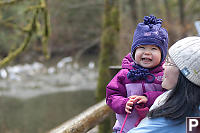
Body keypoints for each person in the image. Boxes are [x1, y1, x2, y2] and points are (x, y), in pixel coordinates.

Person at [106, 15, 168, 133]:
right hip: (126, 128)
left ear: (162, 54)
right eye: (142, 48)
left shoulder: (165, 74)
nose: (147, 53)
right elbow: (111, 95)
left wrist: (148, 98)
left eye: (154, 49)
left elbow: (170, 96)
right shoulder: (125, 74)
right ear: (134, 51)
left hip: (156, 128)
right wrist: (124, 103)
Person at [128, 36, 200, 133]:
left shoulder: (166, 121)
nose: (163, 66)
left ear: (185, 74)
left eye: (169, 61)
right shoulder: (194, 115)